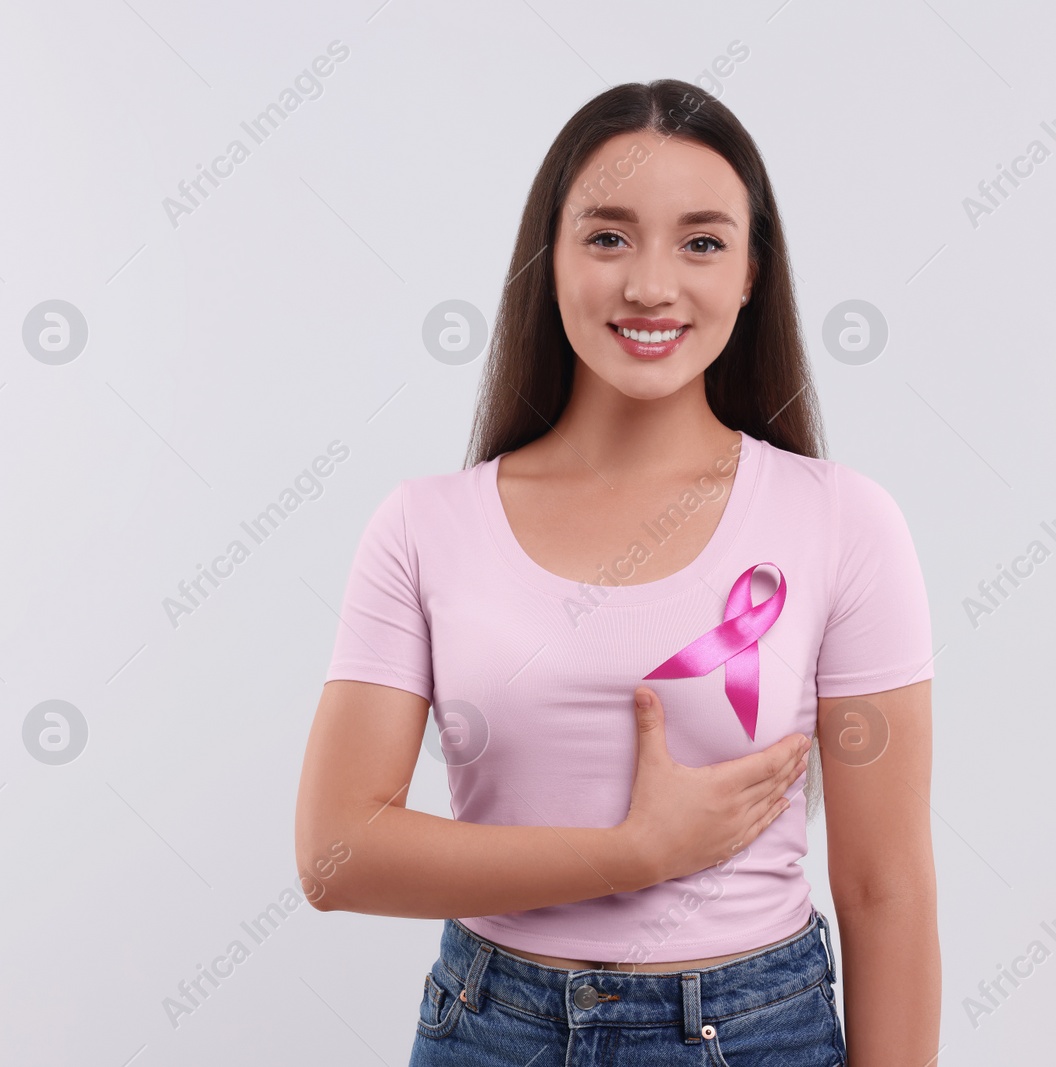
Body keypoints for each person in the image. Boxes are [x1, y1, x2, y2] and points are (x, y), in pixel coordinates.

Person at [294, 79, 939, 1066]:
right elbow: (334, 852)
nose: (649, 284)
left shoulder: (842, 520)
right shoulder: (424, 525)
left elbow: (884, 886)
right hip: (490, 1027)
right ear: (547, 259)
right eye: (606, 237)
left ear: (752, 272)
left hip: (757, 1028)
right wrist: (633, 855)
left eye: (701, 240)